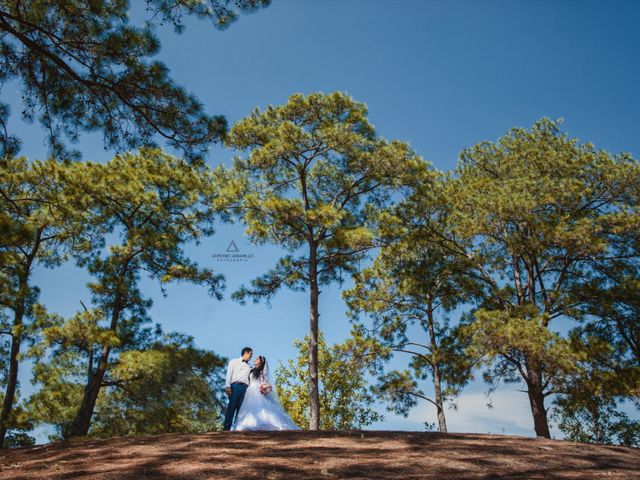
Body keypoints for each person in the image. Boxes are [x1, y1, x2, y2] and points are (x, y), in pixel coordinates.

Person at [232, 355, 300, 431]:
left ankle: (264, 423)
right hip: (250, 391)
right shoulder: (251, 370)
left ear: (261, 362)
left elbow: (264, 383)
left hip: (257, 390)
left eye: (257, 359)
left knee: (260, 406)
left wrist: (264, 388)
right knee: (249, 407)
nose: (255, 360)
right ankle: (247, 423)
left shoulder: (261, 372)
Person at [223, 347, 253, 431]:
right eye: (251, 354)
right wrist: (227, 386)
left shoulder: (250, 366)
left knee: (241, 409)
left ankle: (236, 429)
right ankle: (226, 428)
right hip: (235, 386)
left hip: (245, 388)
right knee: (232, 406)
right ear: (245, 353)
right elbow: (229, 373)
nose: (251, 356)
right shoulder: (234, 361)